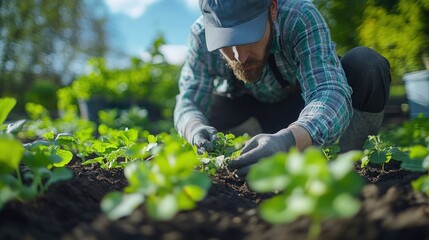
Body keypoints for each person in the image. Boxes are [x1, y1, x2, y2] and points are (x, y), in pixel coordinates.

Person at [174, 0, 391, 177]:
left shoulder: (300, 16)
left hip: (301, 109)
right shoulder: (200, 36)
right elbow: (188, 100)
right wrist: (193, 128)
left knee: (367, 65)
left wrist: (289, 140)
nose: (239, 56)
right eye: (226, 42)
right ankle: (246, 157)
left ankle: (346, 164)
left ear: (273, 9)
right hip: (248, 112)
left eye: (247, 35)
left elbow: (328, 90)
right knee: (206, 109)